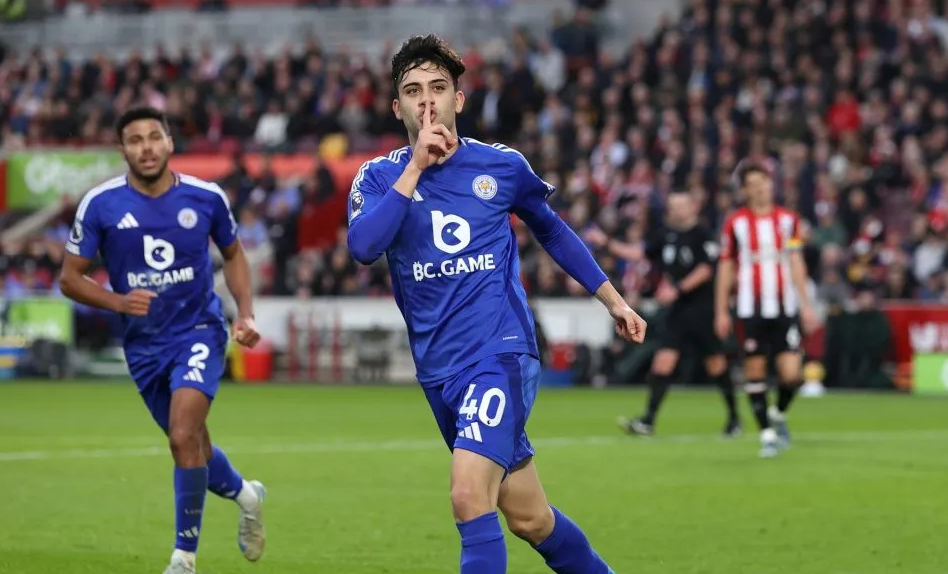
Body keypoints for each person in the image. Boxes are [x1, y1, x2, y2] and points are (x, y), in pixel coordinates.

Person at [347, 34, 645, 574]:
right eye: (413, 91)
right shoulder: (378, 176)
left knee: (468, 496)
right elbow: (364, 248)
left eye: (439, 87)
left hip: (500, 354)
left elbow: (553, 232)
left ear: (459, 99)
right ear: (397, 108)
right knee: (530, 518)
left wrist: (613, 300)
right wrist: (414, 170)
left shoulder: (502, 167)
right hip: (438, 369)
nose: (427, 100)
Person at [59, 107, 267, 574]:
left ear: (170, 143)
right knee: (195, 447)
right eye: (135, 140)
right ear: (122, 150)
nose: (146, 147)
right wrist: (118, 302)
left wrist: (245, 313)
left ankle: (183, 558)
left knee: (180, 437)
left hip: (198, 331)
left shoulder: (206, 197)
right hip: (143, 346)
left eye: (155, 137)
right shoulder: (101, 205)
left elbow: (234, 256)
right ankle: (249, 496)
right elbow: (70, 279)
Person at [605, 191, 740, 437]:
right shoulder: (665, 235)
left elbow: (706, 270)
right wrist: (606, 243)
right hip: (678, 312)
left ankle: (734, 419)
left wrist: (676, 289)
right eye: (673, 206)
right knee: (663, 362)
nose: (677, 210)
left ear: (693, 207)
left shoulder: (702, 235)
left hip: (703, 310)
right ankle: (648, 420)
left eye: (682, 205)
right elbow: (640, 253)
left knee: (715, 364)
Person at [714, 162, 817, 458]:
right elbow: (726, 266)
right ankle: (767, 435)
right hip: (750, 309)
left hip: (784, 306)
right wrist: (721, 310)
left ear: (772, 185)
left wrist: (806, 304)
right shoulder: (735, 224)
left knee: (792, 375)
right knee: (755, 371)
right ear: (744, 190)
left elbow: (796, 262)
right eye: (753, 184)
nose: (760, 188)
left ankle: (778, 414)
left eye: (764, 182)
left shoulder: (788, 220)